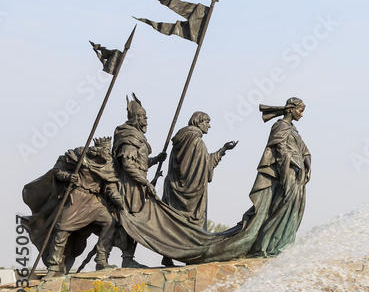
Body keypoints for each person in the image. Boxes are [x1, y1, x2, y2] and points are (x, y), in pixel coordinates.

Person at [22, 138, 125, 278]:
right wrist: (68, 176)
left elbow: (111, 188)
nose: (108, 153)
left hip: (94, 201)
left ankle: (101, 259)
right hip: (77, 198)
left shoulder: (108, 164)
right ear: (98, 149)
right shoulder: (79, 155)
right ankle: (53, 266)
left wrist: (119, 201)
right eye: (105, 150)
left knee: (110, 222)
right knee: (62, 229)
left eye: (109, 150)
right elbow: (57, 169)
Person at [245, 98, 311, 257]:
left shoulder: (293, 129)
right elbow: (279, 147)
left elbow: (304, 149)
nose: (302, 115)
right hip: (288, 170)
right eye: (300, 111)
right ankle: (268, 244)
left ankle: (283, 244)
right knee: (283, 205)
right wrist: (294, 163)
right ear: (290, 109)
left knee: (295, 207)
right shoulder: (280, 126)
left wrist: (307, 164)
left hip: (298, 172)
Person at [112, 94, 166, 268]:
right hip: (129, 185)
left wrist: (156, 159)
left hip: (137, 183)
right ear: (134, 117)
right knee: (131, 219)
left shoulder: (137, 135)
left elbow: (139, 163)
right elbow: (128, 165)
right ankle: (126, 258)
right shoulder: (129, 136)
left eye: (146, 116)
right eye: (143, 116)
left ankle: (127, 257)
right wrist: (145, 183)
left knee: (136, 218)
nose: (146, 120)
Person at [163, 111, 237, 229]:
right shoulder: (197, 142)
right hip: (191, 197)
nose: (209, 126)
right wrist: (223, 150)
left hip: (173, 190)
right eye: (207, 122)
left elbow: (202, 163)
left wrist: (223, 149)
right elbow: (206, 166)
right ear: (199, 122)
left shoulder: (182, 139)